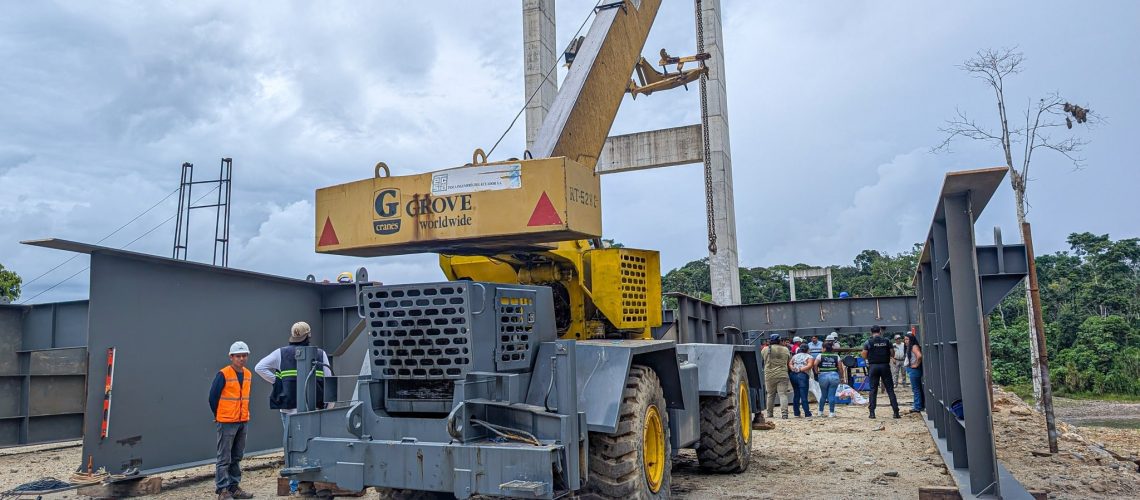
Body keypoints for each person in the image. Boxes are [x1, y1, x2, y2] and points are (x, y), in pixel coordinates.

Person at [254, 321, 333, 494]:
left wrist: (278, 382)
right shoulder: (320, 354)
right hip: (314, 410)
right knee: (315, 446)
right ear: (309, 335)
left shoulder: (280, 353)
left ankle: (295, 486)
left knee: (292, 447)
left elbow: (259, 367)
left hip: (289, 410)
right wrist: (328, 407)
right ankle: (316, 482)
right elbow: (329, 379)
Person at [208, 341, 255, 500]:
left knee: (236, 456)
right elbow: (212, 397)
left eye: (244, 355)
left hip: (242, 420)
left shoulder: (248, 374)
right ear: (231, 357)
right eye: (238, 356)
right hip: (227, 421)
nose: (242, 359)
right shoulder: (223, 374)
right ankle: (222, 490)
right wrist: (219, 415)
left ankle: (234, 487)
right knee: (224, 458)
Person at [861, 325, 900, 419]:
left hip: (873, 367)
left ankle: (872, 413)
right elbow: (892, 353)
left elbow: (864, 355)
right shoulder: (887, 341)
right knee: (890, 389)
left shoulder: (868, 342)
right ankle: (896, 412)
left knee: (873, 390)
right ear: (880, 332)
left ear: (871, 332)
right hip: (885, 366)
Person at [761, 334, 793, 419]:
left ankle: (769, 414)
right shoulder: (785, 349)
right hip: (782, 374)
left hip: (769, 374)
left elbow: (763, 359)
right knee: (783, 394)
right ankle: (784, 414)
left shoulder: (765, 349)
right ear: (780, 340)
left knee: (770, 395)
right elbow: (788, 361)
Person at [816, 340, 845, 417]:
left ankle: (820, 412)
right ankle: (831, 413)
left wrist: (816, 372)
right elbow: (840, 368)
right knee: (831, 395)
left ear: (824, 348)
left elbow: (815, 364)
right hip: (834, 376)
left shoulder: (820, 356)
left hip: (823, 376)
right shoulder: (836, 356)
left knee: (823, 395)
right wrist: (842, 377)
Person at [788, 345, 815, 418]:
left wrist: (793, 368)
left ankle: (796, 413)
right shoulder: (809, 357)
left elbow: (790, 363)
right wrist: (800, 369)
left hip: (793, 375)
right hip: (802, 375)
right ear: (808, 350)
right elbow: (809, 365)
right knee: (804, 395)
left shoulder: (795, 356)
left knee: (796, 394)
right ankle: (807, 413)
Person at [906, 333, 924, 412]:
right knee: (916, 388)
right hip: (912, 370)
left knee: (916, 389)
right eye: (905, 339)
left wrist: (916, 364)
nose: (905, 341)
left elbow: (919, 356)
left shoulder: (914, 347)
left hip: (914, 370)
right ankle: (917, 404)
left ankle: (917, 406)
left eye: (907, 339)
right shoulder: (911, 347)